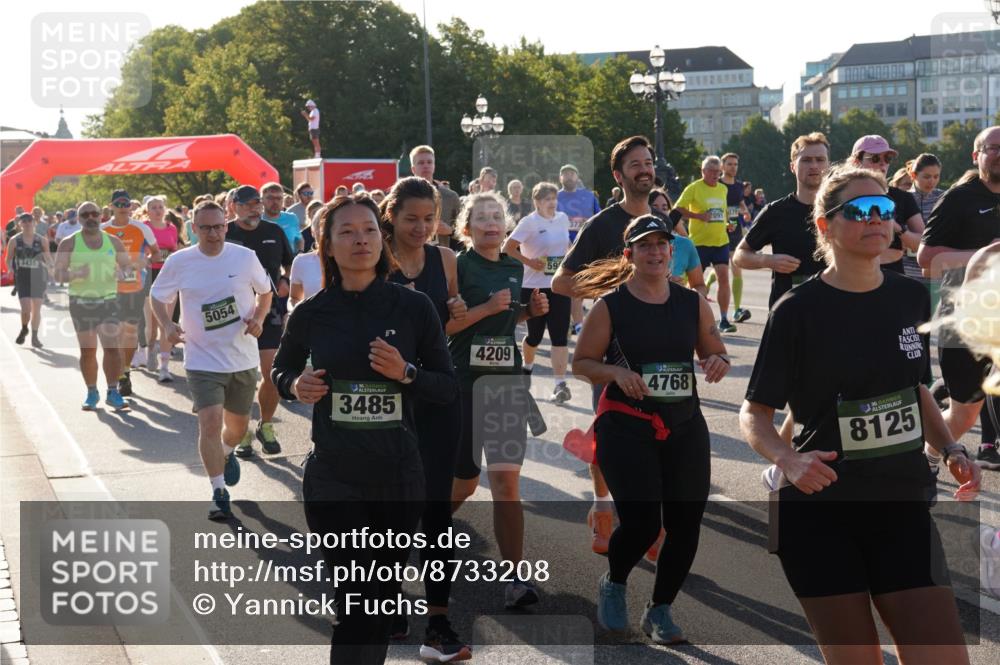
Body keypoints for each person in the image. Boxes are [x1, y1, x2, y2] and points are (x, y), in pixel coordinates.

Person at [741, 164, 980, 664]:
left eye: (886, 210)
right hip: (821, 506)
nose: (878, 219)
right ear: (825, 225)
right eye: (862, 210)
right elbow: (755, 412)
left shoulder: (910, 296)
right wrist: (788, 460)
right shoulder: (797, 310)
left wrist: (953, 447)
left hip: (900, 501)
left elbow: (914, 388)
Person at [271, 193, 458, 665]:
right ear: (327, 246)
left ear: (383, 238)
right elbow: (280, 372)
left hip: (397, 476)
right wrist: (297, 384)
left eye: (370, 229)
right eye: (347, 232)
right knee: (356, 602)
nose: (361, 239)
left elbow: (446, 389)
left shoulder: (413, 309)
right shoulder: (312, 313)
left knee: (377, 601)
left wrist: (407, 374)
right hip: (334, 476)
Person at [573, 214, 729, 643]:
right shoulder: (611, 306)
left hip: (684, 424)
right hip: (627, 425)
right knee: (642, 523)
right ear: (630, 254)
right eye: (646, 246)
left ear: (672, 252)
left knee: (686, 522)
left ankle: (660, 609)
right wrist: (615, 374)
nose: (656, 252)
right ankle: (615, 581)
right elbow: (581, 363)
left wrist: (717, 360)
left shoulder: (693, 302)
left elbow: (715, 349)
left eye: (663, 244)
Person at [552, 135, 661, 555]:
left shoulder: (661, 218)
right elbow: (562, 280)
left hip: (659, 344)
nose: (644, 169)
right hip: (611, 346)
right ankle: (602, 508)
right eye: (635, 164)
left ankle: (650, 520)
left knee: (659, 431)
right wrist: (612, 284)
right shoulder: (602, 225)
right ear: (619, 176)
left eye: (648, 162)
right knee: (610, 431)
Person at [381, 178, 471, 660]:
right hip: (388, 400)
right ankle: (390, 600)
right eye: (411, 218)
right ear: (391, 216)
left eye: (429, 219)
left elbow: (447, 324)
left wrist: (456, 309)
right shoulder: (374, 259)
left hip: (437, 394)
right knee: (393, 509)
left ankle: (438, 621)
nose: (420, 228)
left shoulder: (446, 260)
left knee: (436, 512)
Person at [448, 191, 549, 610]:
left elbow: (507, 318)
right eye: (481, 217)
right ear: (466, 228)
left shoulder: (513, 267)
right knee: (467, 486)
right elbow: (447, 328)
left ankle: (514, 579)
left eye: (497, 217)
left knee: (507, 484)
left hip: (506, 387)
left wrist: (528, 312)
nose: (491, 223)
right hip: (465, 385)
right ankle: (421, 522)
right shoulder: (457, 267)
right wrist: (489, 308)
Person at [150, 200, 272, 519]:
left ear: (226, 226)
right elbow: (157, 295)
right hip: (201, 359)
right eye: (205, 228)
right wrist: (166, 324)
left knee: (237, 427)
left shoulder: (245, 258)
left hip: (242, 358)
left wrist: (259, 317)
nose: (213, 233)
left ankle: (227, 451)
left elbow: (266, 291)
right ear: (194, 229)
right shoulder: (180, 261)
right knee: (210, 422)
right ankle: (218, 491)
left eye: (218, 227)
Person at [918, 125, 1000, 470]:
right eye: (992, 148)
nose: (999, 154)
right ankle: (930, 455)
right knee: (965, 414)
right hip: (962, 320)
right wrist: (986, 255)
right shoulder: (958, 199)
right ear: (976, 156)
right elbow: (927, 261)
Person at [225, 185, 294, 457]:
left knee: (271, 373)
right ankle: (241, 431)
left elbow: (289, 263)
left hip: (271, 309)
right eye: (249, 204)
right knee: (238, 377)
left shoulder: (274, 232)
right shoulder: (225, 233)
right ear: (234, 206)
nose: (255, 209)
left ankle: (265, 425)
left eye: (258, 204)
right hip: (232, 312)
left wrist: (286, 279)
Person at [734, 132, 831, 308]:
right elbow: (739, 256)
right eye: (807, 160)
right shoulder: (775, 212)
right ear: (793, 166)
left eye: (820, 159)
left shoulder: (842, 209)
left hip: (833, 308)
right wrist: (767, 260)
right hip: (788, 311)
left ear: (828, 164)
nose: (814, 165)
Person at [54, 201, 133, 411]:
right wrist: (76, 274)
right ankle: (91, 392)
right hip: (81, 302)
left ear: (101, 216)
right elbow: (57, 274)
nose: (90, 217)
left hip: (108, 301)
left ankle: (113, 391)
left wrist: (122, 273)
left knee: (112, 348)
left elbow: (128, 267)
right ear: (79, 219)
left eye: (94, 214)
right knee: (88, 350)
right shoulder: (69, 243)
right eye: (85, 214)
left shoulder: (113, 241)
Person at [503, 182, 573, 403]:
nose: (552, 203)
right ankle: (527, 367)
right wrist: (529, 262)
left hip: (558, 285)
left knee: (559, 336)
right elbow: (507, 248)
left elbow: (566, 244)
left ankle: (560, 385)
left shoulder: (562, 218)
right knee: (534, 336)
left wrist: (570, 260)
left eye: (554, 198)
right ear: (537, 202)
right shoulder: (529, 222)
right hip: (532, 287)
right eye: (547, 199)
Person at [102, 189, 161, 396]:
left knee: (129, 332)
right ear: (111, 206)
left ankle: (125, 373)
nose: (122, 207)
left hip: (134, 286)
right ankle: (118, 375)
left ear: (131, 206)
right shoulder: (103, 229)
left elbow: (157, 253)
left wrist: (142, 261)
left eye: (125, 203)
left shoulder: (141, 228)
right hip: (109, 288)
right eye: (118, 203)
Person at [675, 156, 738, 333]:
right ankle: (687, 316)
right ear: (703, 171)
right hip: (699, 244)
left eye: (718, 171)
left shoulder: (723, 189)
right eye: (711, 171)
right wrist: (698, 216)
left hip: (720, 242)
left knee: (724, 279)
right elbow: (677, 209)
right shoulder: (694, 188)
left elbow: (721, 213)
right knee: (694, 283)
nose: (715, 174)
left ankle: (724, 319)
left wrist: (727, 225)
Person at [848, 135, 924, 274]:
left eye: (887, 159)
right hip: (853, 273)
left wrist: (896, 227)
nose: (882, 164)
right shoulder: (842, 196)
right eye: (875, 158)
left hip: (893, 274)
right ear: (856, 161)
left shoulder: (902, 197)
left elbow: (922, 243)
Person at [557, 163, 603, 335]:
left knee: (580, 286)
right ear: (560, 178)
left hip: (584, 247)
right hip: (558, 248)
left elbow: (599, 218)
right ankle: (569, 322)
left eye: (572, 173)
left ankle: (577, 324)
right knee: (560, 287)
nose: (568, 176)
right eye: (565, 174)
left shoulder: (589, 196)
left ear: (577, 177)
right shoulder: (554, 196)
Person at [708, 153, 753, 323]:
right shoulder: (716, 184)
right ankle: (705, 285)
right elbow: (713, 205)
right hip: (718, 230)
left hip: (734, 230)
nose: (733, 167)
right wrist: (725, 216)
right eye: (730, 164)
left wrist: (745, 211)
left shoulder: (739, 185)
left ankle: (737, 309)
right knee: (722, 269)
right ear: (722, 166)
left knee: (735, 267)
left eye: (735, 164)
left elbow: (739, 202)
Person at [141, 196, 180, 382]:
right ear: (147, 210)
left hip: (168, 277)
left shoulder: (172, 228)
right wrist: (149, 258)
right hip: (149, 275)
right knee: (152, 324)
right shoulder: (143, 228)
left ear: (165, 209)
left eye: (160, 207)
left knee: (167, 322)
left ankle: (164, 367)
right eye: (153, 207)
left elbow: (175, 249)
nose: (157, 210)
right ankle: (150, 348)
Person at [5, 213, 53, 347]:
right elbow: (8, 258)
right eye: (24, 221)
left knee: (36, 309)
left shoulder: (42, 240)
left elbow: (48, 257)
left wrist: (51, 266)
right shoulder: (14, 240)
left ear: (34, 222)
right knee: (26, 309)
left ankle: (35, 337)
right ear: (20, 224)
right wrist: (10, 268)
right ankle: (24, 328)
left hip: (38, 276)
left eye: (29, 220)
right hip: (23, 277)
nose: (27, 223)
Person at [648, 189, 706, 297]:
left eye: (665, 208)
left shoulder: (685, 244)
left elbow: (700, 286)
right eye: (654, 207)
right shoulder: (635, 244)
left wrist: (684, 293)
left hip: (677, 310)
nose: (660, 212)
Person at [409, 145, 462, 251]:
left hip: (441, 257)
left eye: (429, 162)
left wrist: (450, 231)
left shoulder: (450, 197)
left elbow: (466, 230)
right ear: (413, 169)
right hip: (410, 255)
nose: (426, 166)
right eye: (421, 163)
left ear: (434, 166)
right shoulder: (403, 196)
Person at [289, 209, 324, 308]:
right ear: (313, 232)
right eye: (320, 228)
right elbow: (294, 298)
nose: (324, 234)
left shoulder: (352, 261)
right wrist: (293, 313)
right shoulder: (301, 262)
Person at [261, 181, 304, 255]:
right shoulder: (256, 220)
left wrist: (300, 253)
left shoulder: (292, 218)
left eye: (279, 198)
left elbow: (299, 239)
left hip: (289, 264)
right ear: (262, 200)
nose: (275, 202)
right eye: (270, 198)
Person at [909, 153, 944, 223]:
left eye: (936, 177)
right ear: (913, 175)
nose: (932, 181)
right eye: (927, 177)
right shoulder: (903, 199)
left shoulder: (943, 197)